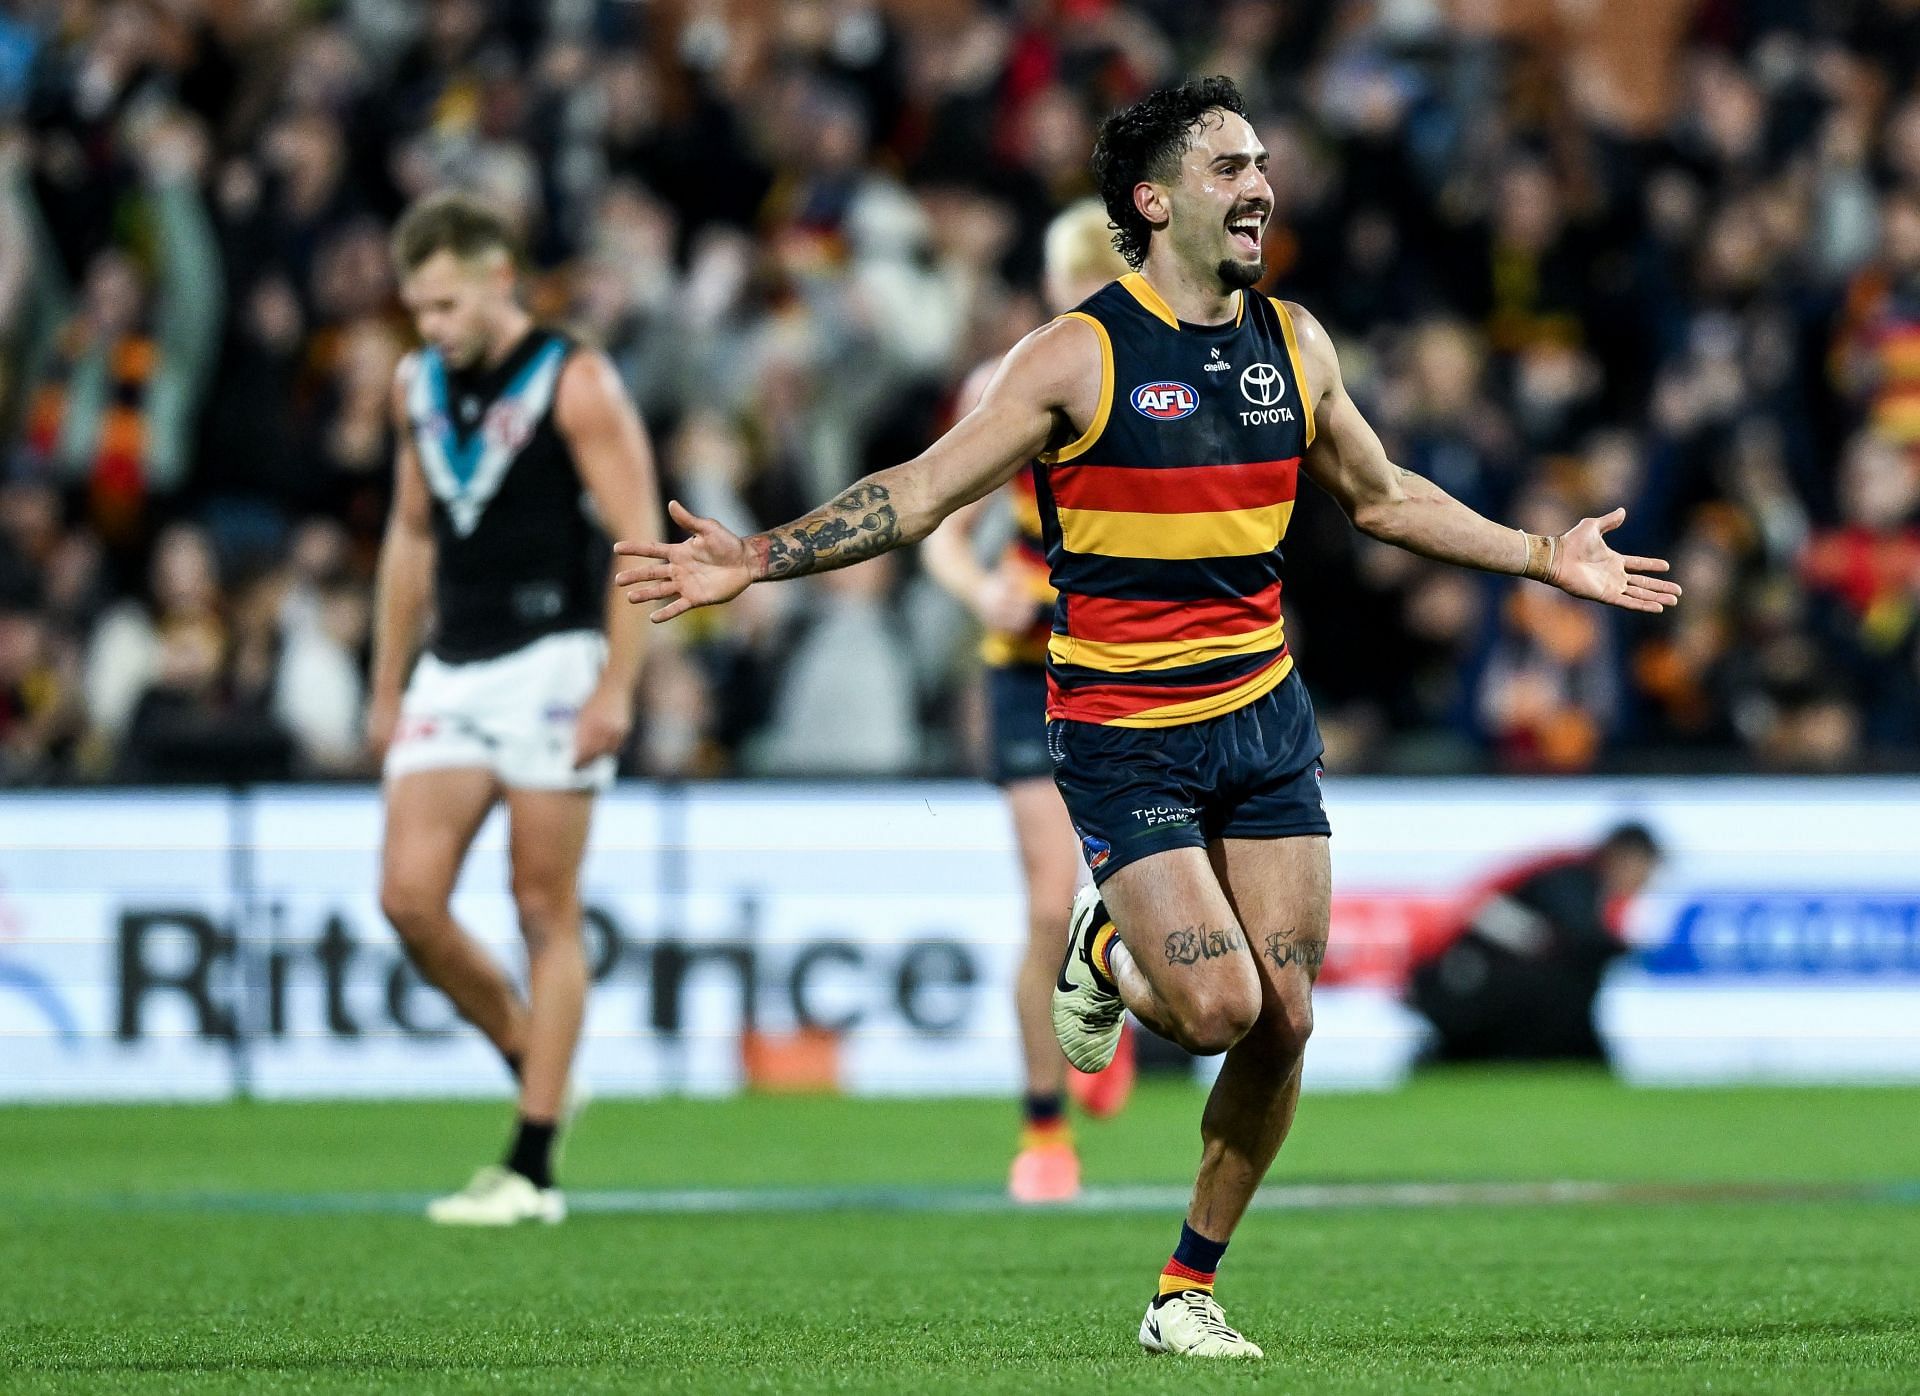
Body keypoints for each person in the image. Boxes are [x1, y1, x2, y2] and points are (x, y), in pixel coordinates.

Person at [613, 77, 1680, 1356]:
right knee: (1219, 1008)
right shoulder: (1076, 354)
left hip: (1263, 716)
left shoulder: (1298, 342)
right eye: (1230, 165)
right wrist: (762, 555)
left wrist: (1538, 553)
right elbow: (922, 490)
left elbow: (1383, 495)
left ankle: (1185, 1291)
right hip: (1124, 729)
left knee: (1287, 1021)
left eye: (1265, 162)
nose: (1261, 185)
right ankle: (1106, 954)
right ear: (1154, 197)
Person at [367, 193, 661, 1226]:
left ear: (499, 279)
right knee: (408, 896)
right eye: (418, 310)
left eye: (445, 305)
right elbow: (408, 534)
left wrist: (618, 685)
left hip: (553, 660)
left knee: (543, 905)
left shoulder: (573, 379)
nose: (431, 328)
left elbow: (638, 539)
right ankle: (533, 1055)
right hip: (455, 663)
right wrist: (386, 677)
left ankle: (532, 1165)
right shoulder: (416, 383)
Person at [922, 198, 1136, 1205]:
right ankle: (1044, 1127)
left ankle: (1110, 985)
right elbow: (935, 526)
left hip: (1132, 663)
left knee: (1141, 895)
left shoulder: (1162, 379)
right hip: (1028, 665)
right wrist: (981, 591)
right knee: (1049, 902)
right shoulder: (1006, 383)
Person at [1410, 822, 1663, 1062]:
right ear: (1623, 858)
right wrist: (1633, 951)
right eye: (1646, 868)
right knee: (1566, 985)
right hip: (1457, 984)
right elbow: (1580, 939)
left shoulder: (1581, 882)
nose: (1646, 880)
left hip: (1482, 985)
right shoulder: (1571, 880)